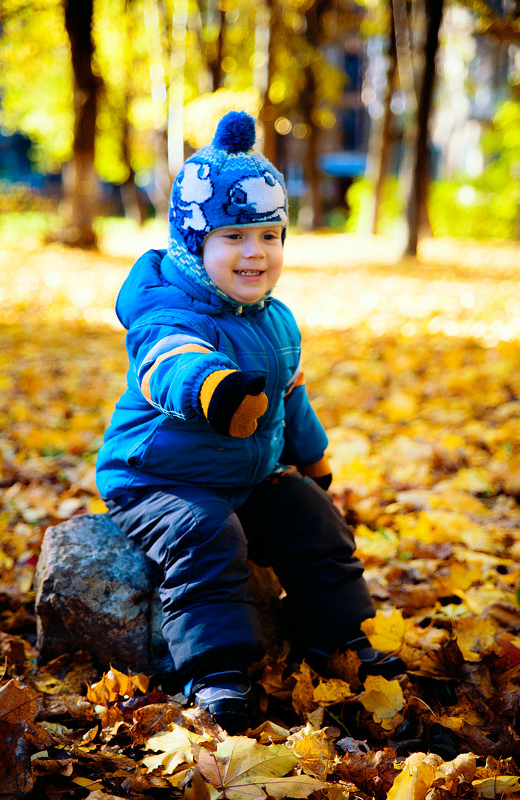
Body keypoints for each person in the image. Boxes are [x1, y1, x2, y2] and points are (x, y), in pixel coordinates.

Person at [95, 111, 404, 733]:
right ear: (194, 243)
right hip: (157, 479)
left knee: (312, 516)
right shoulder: (167, 313)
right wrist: (216, 389)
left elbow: (292, 402)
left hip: (245, 475)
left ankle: (338, 637)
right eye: (232, 236)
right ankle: (215, 670)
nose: (254, 253)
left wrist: (312, 463)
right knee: (208, 536)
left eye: (268, 236)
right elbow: (168, 366)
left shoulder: (276, 320)